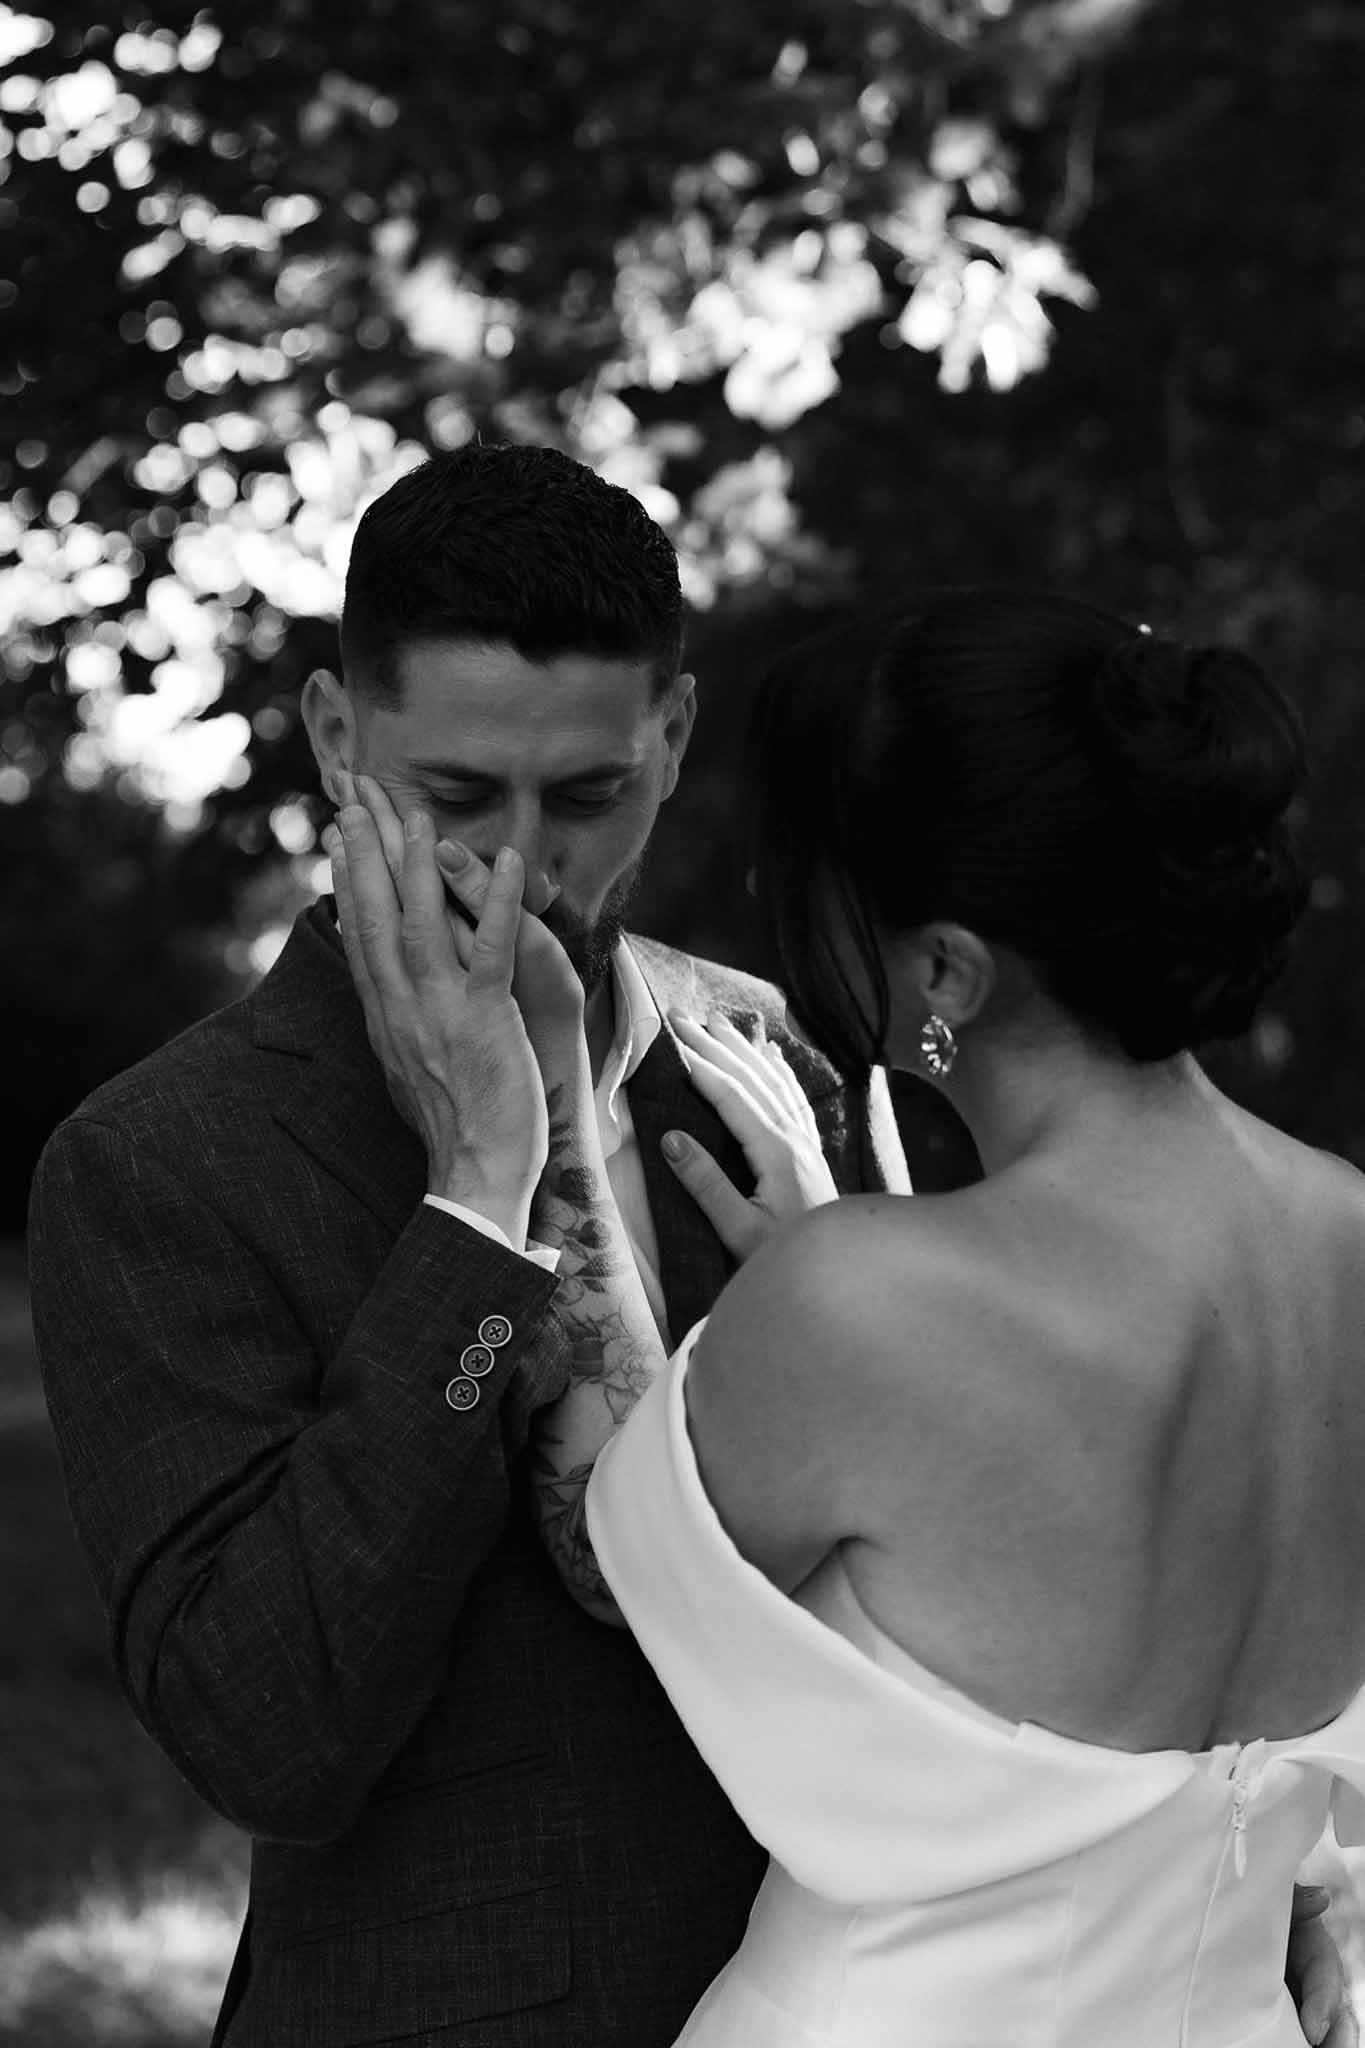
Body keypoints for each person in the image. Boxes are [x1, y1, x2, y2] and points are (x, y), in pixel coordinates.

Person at [26, 443, 910, 2048]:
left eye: (588, 796)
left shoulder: (770, 1063)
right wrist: (477, 1200)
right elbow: (271, 1733)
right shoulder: (157, 1163)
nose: (523, 867)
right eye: (453, 797)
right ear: (336, 739)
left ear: (675, 738)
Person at [405, 592, 1365, 2047]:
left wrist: (523, 1106)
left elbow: (604, 1550)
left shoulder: (860, 1301)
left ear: (943, 974)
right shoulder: (1345, 1230)